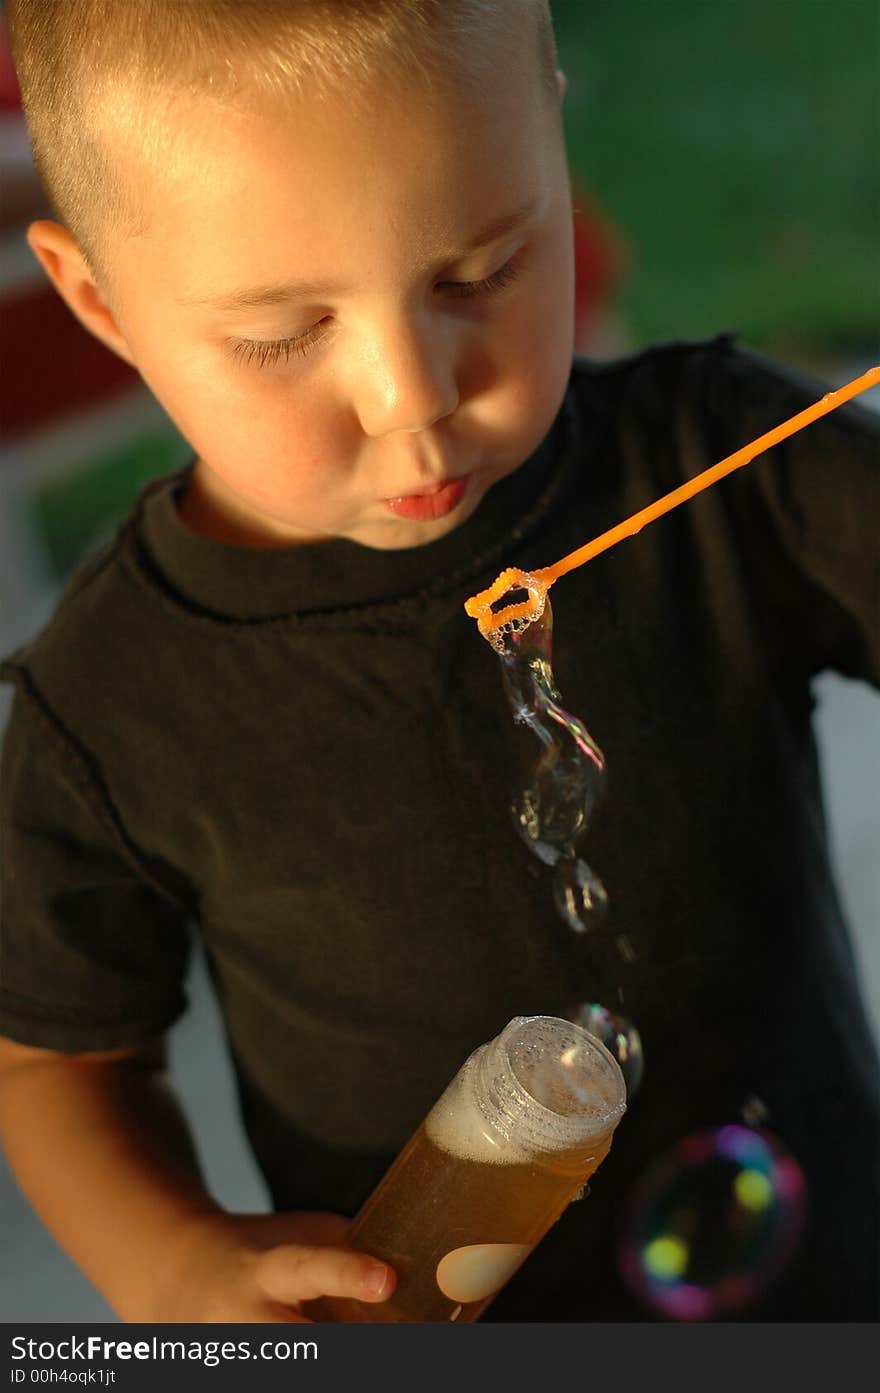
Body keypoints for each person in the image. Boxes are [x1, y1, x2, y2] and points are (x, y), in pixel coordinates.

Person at [0, 0, 877, 1325]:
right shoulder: (112, 703)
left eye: (478, 270)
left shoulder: (717, 467)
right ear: (100, 299)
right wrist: (168, 1258)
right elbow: (54, 1065)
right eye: (287, 332)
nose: (414, 395)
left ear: (549, 145)